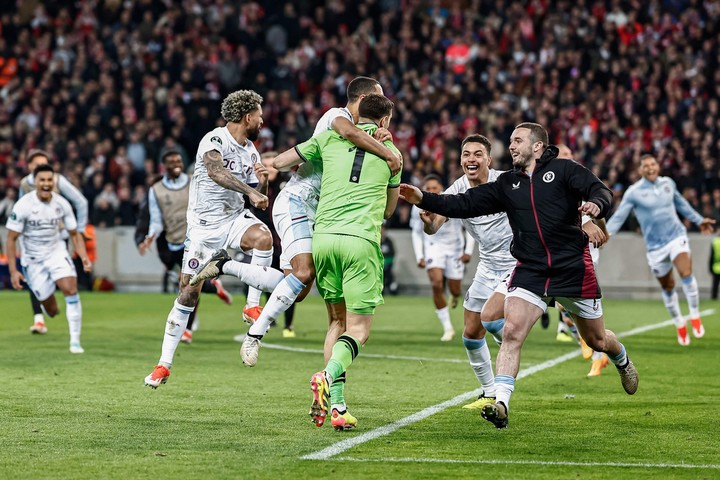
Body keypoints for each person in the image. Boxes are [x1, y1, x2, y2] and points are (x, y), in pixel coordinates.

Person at [400, 122, 638, 429]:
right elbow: (462, 203)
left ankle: (621, 359)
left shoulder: (564, 171)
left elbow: (600, 190)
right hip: (530, 268)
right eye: (510, 141)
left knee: (597, 339)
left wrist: (595, 209)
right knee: (511, 333)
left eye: (517, 141)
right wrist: (423, 197)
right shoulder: (508, 184)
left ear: (537, 146)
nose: (510, 146)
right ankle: (500, 402)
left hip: (571, 268)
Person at [202, 76, 401, 366]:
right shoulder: (338, 117)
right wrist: (389, 152)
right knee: (305, 271)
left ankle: (225, 265)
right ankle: (255, 334)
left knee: (297, 287)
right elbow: (351, 136)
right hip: (298, 200)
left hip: (317, 213)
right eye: (374, 99)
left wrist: (271, 166)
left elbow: (284, 160)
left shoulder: (359, 133)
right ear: (362, 99)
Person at [144, 90, 286, 388]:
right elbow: (216, 172)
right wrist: (251, 191)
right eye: (260, 115)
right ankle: (163, 364)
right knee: (188, 293)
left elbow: (254, 196)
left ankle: (250, 305)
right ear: (248, 116)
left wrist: (261, 182)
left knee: (263, 239)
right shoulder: (215, 139)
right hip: (204, 229)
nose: (263, 120)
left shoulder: (251, 151)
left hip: (233, 219)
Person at [301, 94, 401, 430]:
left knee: (336, 323)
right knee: (358, 330)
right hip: (359, 242)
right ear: (384, 122)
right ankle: (327, 377)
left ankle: (338, 409)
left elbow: (288, 159)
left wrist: (269, 165)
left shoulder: (329, 137)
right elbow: (388, 211)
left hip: (323, 239)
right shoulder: (393, 155)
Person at [417, 134, 514, 410]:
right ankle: (488, 391)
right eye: (466, 154)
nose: (471, 159)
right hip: (488, 266)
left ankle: (511, 343)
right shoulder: (456, 189)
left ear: (489, 160)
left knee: (493, 321)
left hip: (517, 262)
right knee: (471, 334)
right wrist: (427, 223)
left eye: (477, 154)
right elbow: (435, 226)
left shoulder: (506, 182)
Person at [606, 154, 714, 346]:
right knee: (668, 286)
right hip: (655, 246)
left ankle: (695, 315)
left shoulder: (668, 184)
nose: (650, 168)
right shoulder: (634, 192)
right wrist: (606, 233)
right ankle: (679, 322)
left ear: (658, 166)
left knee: (686, 272)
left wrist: (699, 220)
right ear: (640, 170)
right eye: (646, 166)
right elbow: (619, 215)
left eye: (653, 164)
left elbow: (682, 204)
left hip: (676, 237)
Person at [136, 147, 234, 344]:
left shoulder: (193, 181)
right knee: (191, 283)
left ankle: (187, 329)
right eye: (172, 162)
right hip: (173, 243)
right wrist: (150, 236)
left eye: (179, 161)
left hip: (195, 239)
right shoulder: (156, 190)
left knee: (189, 284)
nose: (177, 165)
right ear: (164, 166)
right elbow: (156, 219)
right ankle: (215, 288)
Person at [5, 163, 92, 353]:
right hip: (33, 260)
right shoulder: (23, 206)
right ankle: (46, 305)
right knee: (52, 311)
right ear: (35, 182)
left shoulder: (62, 204)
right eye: (42, 180)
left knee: (70, 289)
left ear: (54, 182)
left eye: (49, 180)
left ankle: (75, 342)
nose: (46, 184)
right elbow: (11, 239)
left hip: (56, 252)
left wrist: (84, 257)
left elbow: (74, 233)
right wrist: (13, 271)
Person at [18, 149, 89, 335]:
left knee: (60, 280)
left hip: (58, 239)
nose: (39, 167)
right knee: (34, 279)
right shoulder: (24, 184)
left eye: (42, 163)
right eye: (35, 164)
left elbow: (81, 202)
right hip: (32, 241)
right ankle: (38, 319)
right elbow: (19, 209)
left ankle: (59, 311)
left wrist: (80, 229)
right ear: (30, 167)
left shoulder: (58, 180)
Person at [411, 174, 473, 341]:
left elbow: (468, 225)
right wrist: (420, 256)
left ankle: (454, 294)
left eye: (434, 188)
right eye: (428, 188)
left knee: (454, 289)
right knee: (436, 284)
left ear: (441, 188)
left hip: (455, 249)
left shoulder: (451, 199)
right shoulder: (418, 204)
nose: (431, 191)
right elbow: (417, 232)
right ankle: (448, 328)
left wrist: (468, 250)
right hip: (433, 247)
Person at [710, 233, 720, 300]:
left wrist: (710, 268)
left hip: (716, 266)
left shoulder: (715, 241)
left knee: (715, 285)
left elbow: (711, 256)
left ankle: (714, 297)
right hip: (716, 266)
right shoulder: (715, 241)